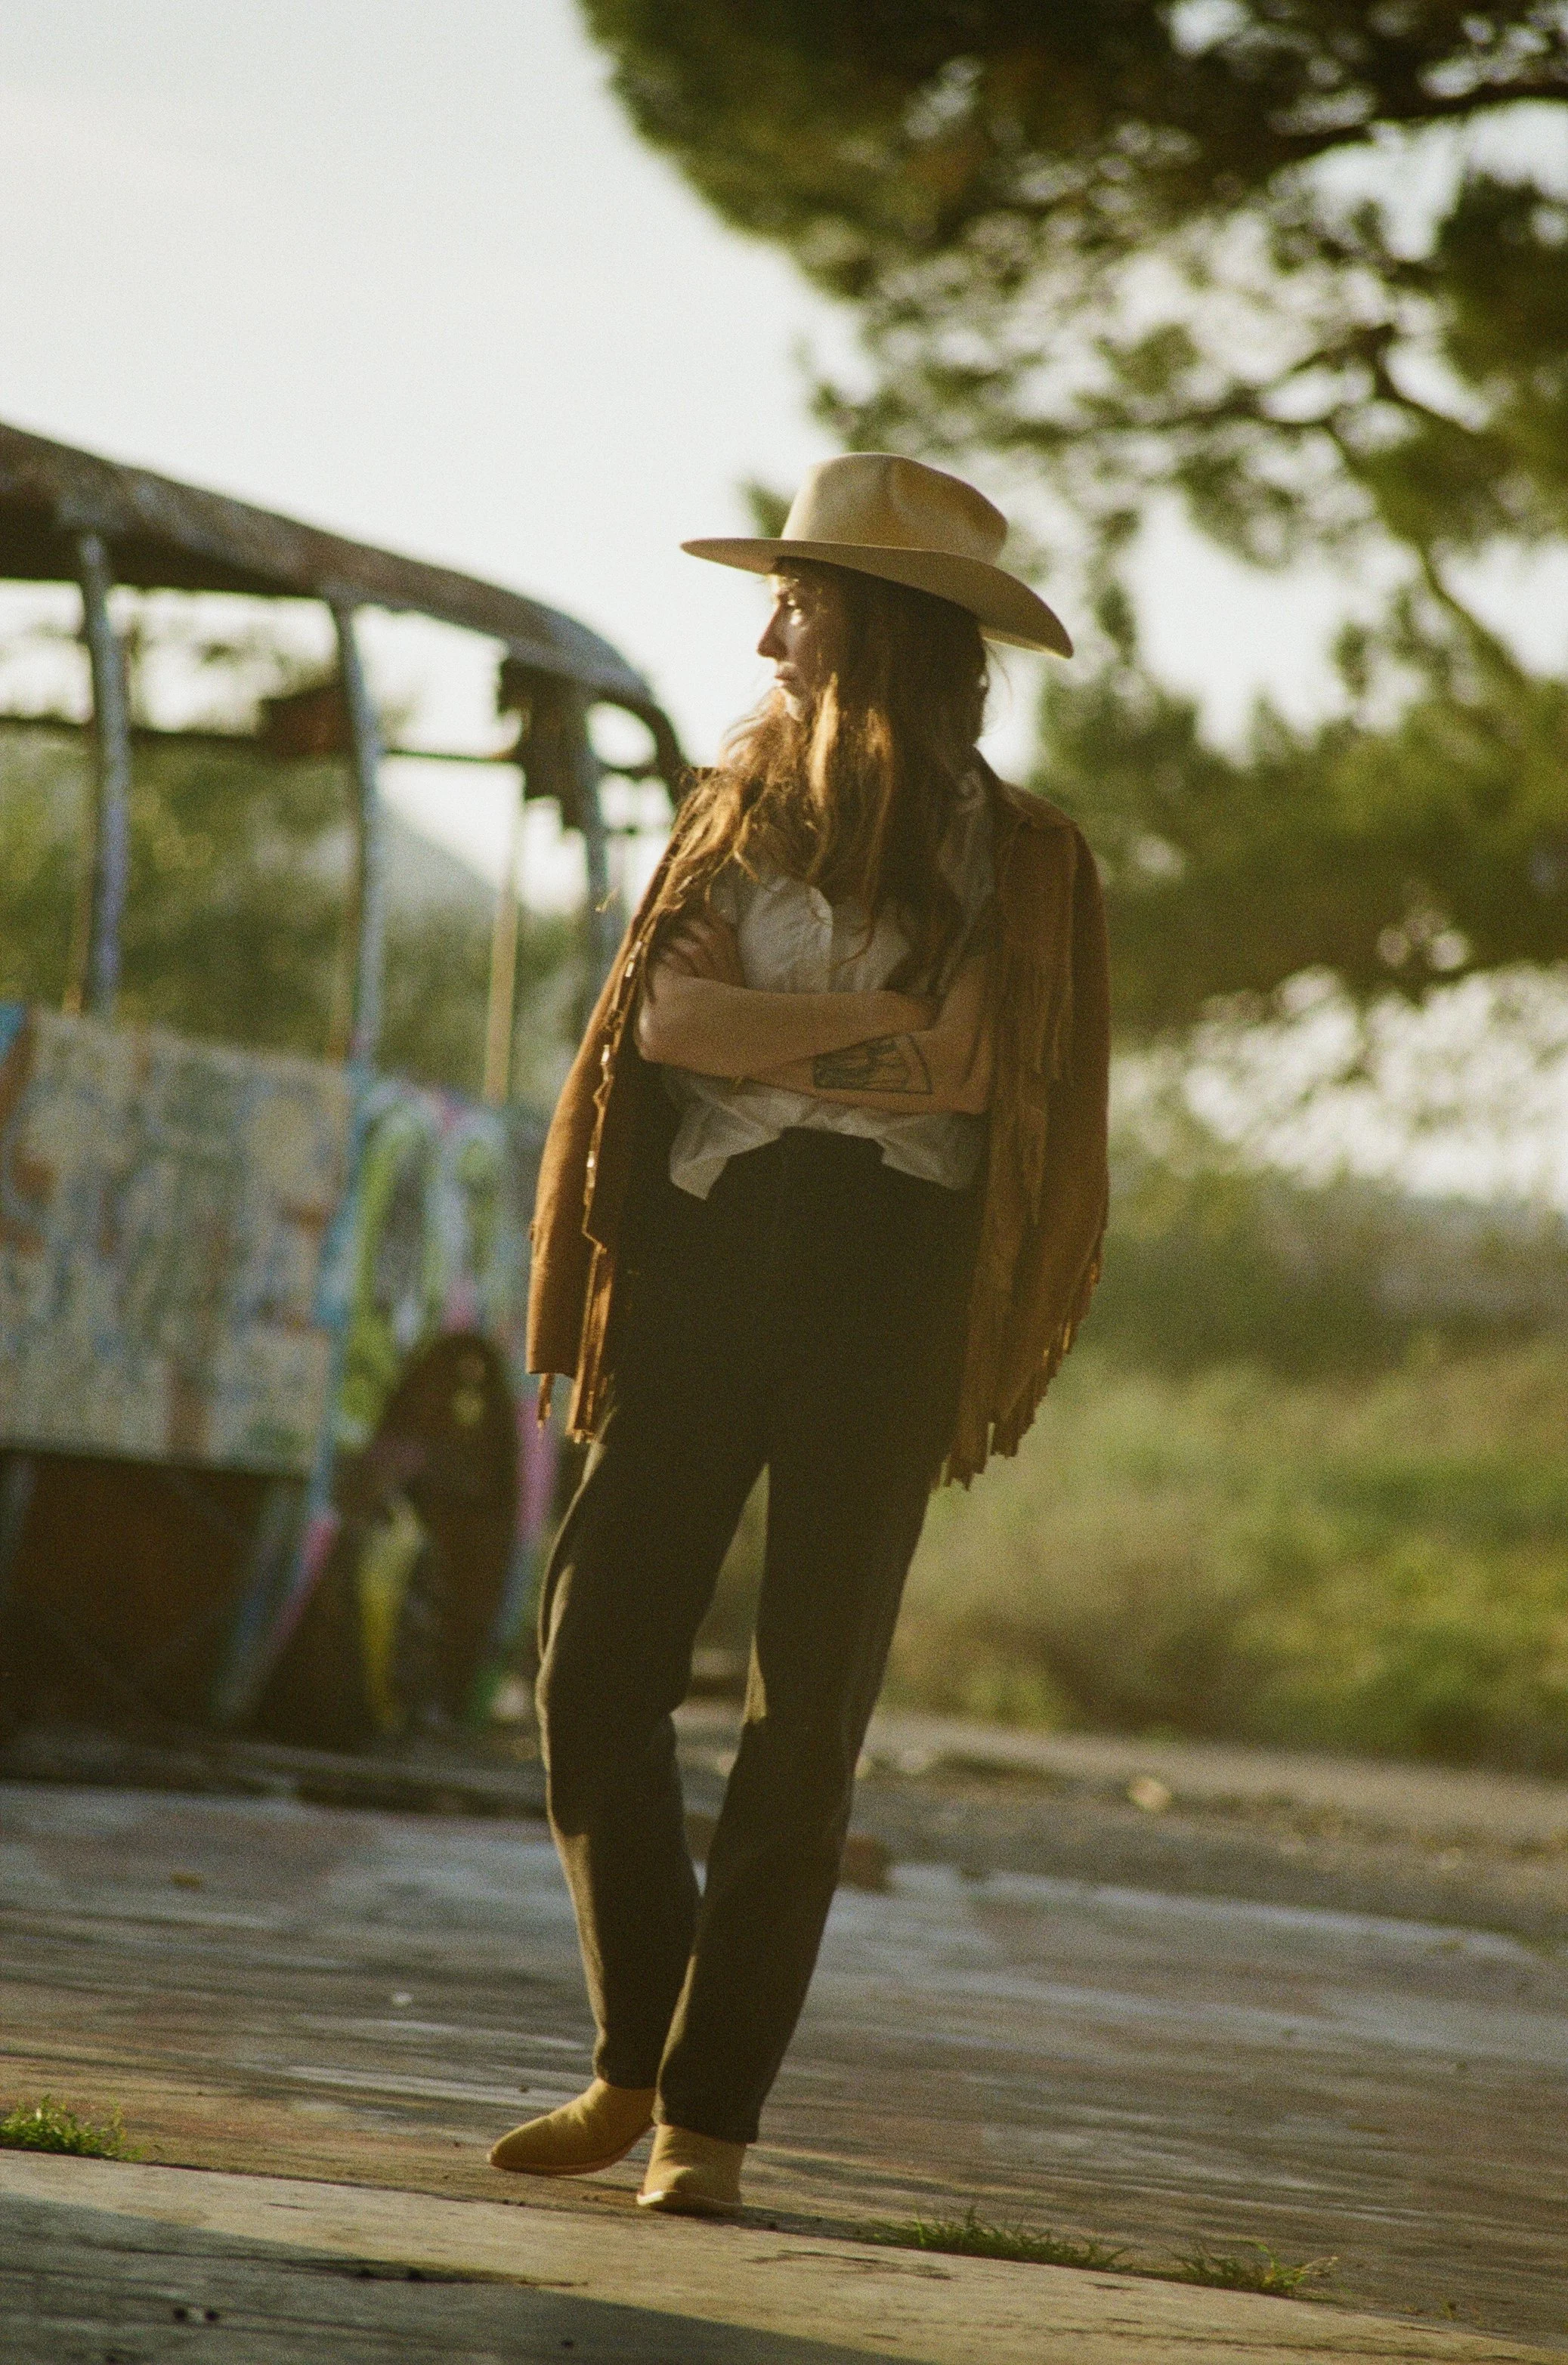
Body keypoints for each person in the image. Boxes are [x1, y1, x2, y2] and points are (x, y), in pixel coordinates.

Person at [487, 453, 1109, 2216]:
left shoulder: (1023, 860)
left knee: (804, 1711)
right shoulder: (723, 818)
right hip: (699, 1254)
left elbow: (970, 1073)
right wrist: (864, 1030)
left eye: (802, 607)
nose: (769, 640)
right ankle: (634, 2053)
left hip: (887, 1282)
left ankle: (707, 2119)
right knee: (591, 1667)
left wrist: (760, 1030)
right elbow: (665, 1027)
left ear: (883, 634)